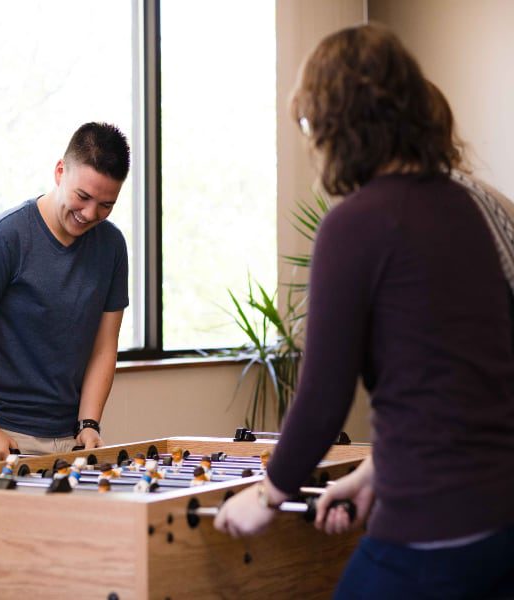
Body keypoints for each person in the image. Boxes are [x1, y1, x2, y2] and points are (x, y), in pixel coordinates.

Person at [214, 24, 514, 598]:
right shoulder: (468, 208)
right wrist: (373, 474)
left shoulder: (354, 225)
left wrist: (268, 493)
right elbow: (461, 381)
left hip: (432, 527)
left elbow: (324, 395)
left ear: (335, 125)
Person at [0, 122, 130, 461]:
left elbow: (105, 346)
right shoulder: (4, 238)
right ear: (60, 171)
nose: (90, 214)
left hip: (70, 436)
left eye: (106, 204)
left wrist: (89, 423)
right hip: (2, 434)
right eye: (83, 197)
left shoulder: (112, 246)